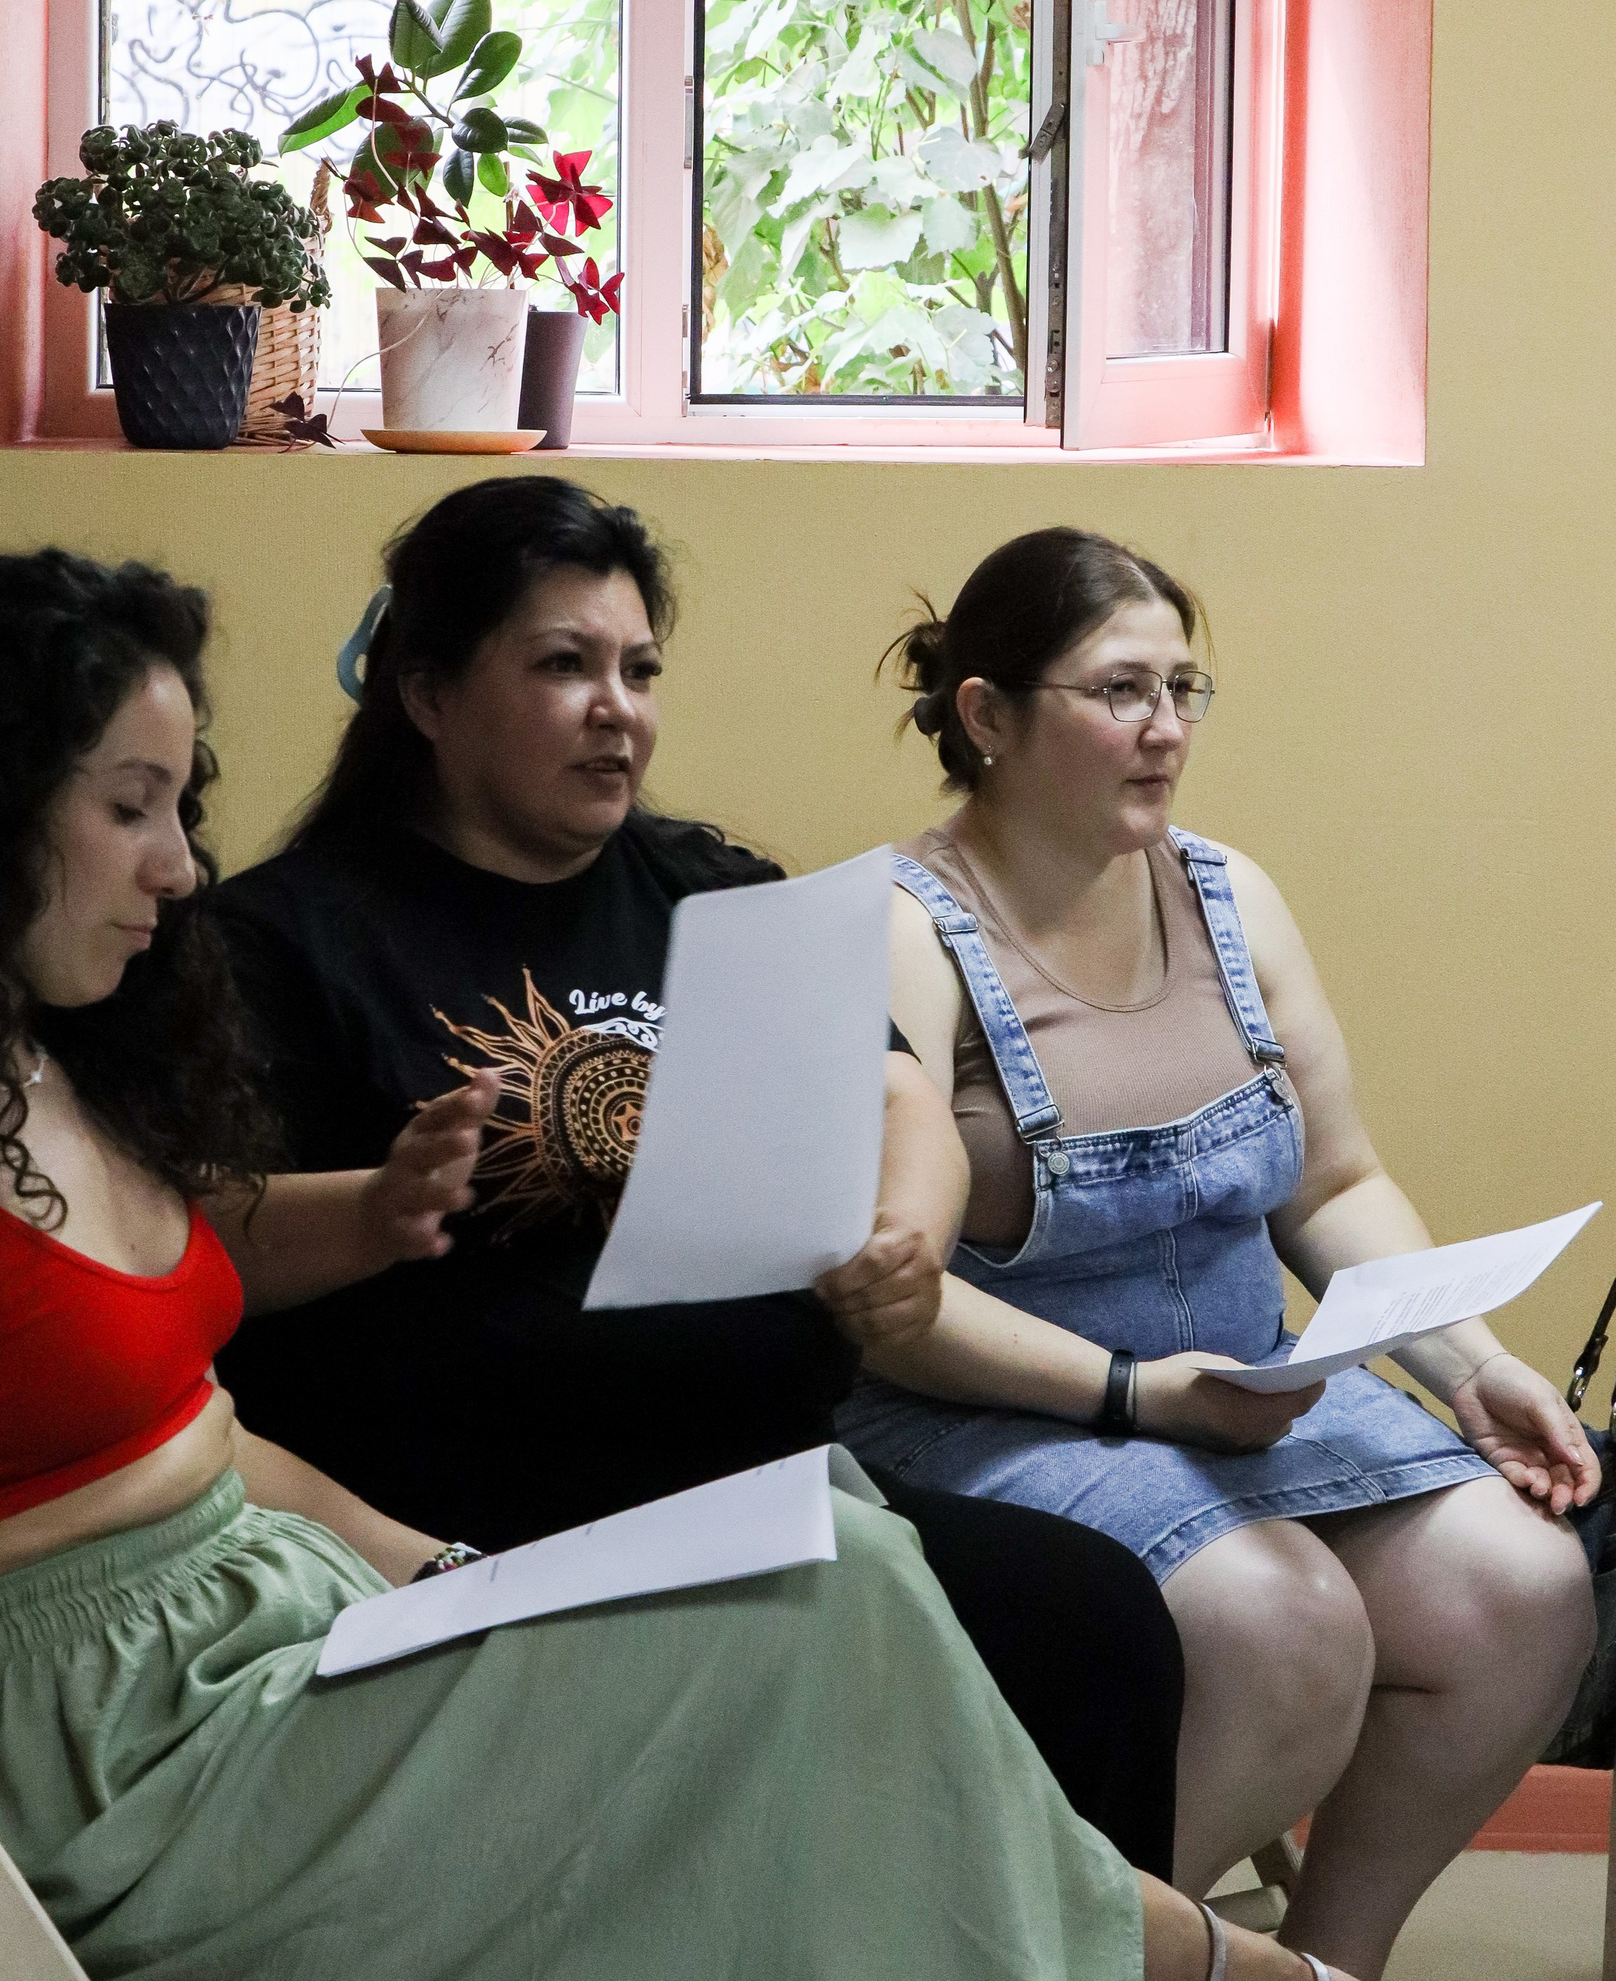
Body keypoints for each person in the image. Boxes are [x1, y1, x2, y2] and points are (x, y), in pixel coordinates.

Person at [0, 544, 1349, 1981]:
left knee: (839, 1555)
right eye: (128, 808)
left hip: (278, 1627)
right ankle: (1194, 1959)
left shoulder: (47, 1068)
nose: (179, 866)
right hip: (126, 1767)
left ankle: (1168, 1956)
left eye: (178, 810)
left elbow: (191, 1424)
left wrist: (447, 1570)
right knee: (822, 1611)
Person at [214, 476, 1181, 1878]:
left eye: (641, 670)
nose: (618, 709)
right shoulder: (283, 940)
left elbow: (896, 1095)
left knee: (1092, 1621)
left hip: (759, 1478)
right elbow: (191, 1240)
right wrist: (374, 1209)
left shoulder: (707, 891)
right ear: (427, 695)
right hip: (482, 1515)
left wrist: (908, 1243)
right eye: (566, 665)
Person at [838, 523, 1599, 1980]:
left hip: (1243, 1389)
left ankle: (1328, 1964)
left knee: (1524, 1588)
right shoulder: (895, 929)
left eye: (1182, 689)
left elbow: (1335, 1178)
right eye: (1120, 691)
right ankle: (1051, 1952)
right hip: (995, 1410)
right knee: (1285, 1625)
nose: (1166, 728)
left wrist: (1474, 1367)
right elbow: (888, 1310)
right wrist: (1142, 1394)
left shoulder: (1229, 893)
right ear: (987, 715)